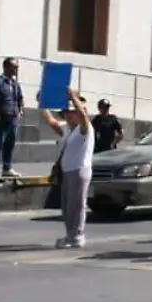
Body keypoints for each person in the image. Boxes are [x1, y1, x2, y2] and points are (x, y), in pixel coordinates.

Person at [36, 90, 94, 249]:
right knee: (67, 206)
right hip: (67, 171)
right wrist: (43, 104)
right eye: (66, 113)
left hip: (79, 170)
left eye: (70, 112)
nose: (67, 115)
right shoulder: (69, 129)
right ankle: (70, 235)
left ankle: (77, 236)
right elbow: (52, 122)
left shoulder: (85, 128)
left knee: (77, 205)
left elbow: (83, 116)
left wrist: (73, 98)